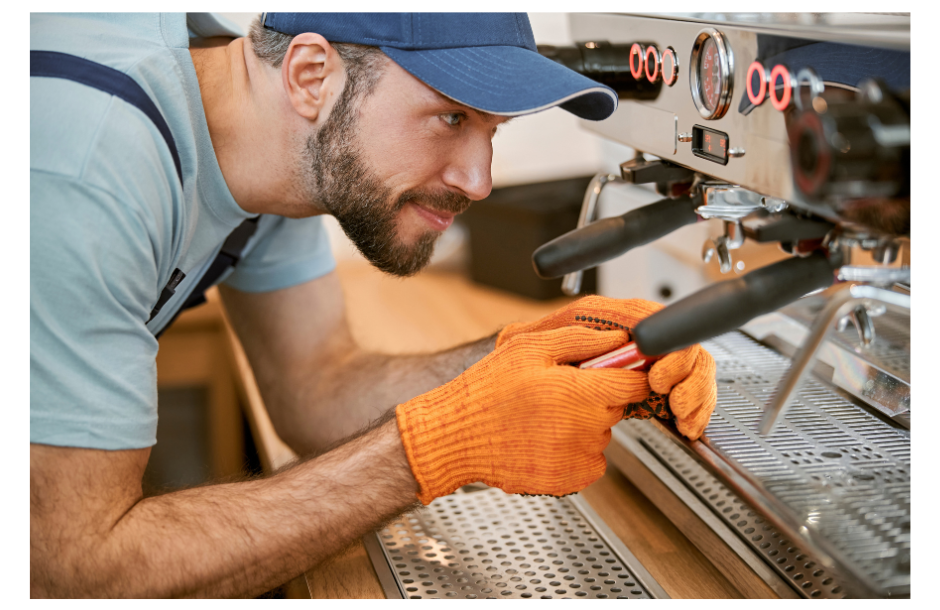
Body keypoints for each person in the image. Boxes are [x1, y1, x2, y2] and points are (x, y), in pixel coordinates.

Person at [30, 13, 717, 597]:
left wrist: (525, 357)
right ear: (311, 75)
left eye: (492, 131)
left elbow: (314, 391)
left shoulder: (277, 150)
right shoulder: (88, 166)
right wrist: (431, 448)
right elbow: (73, 568)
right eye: (450, 117)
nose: (479, 182)